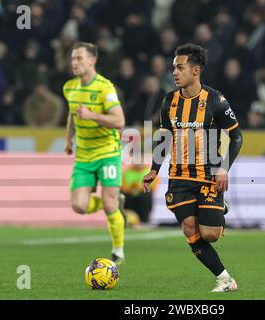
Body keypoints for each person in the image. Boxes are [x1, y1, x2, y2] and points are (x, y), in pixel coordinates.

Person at [142, 44, 243, 292]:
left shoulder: (216, 101)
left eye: (180, 67)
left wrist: (223, 169)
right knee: (189, 228)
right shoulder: (169, 101)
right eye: (173, 67)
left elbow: (237, 137)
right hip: (179, 176)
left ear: (195, 70)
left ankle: (220, 208)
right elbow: (164, 136)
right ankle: (225, 279)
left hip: (209, 175)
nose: (174, 72)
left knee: (210, 235)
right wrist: (154, 168)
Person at [63, 42, 126, 265]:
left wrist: (92, 116)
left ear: (92, 60)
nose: (74, 63)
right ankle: (113, 203)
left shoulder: (105, 88)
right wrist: (69, 138)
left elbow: (119, 121)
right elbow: (73, 114)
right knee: (79, 206)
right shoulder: (70, 87)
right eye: (72, 59)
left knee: (109, 206)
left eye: (79, 58)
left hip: (107, 152)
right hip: (84, 155)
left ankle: (118, 251)